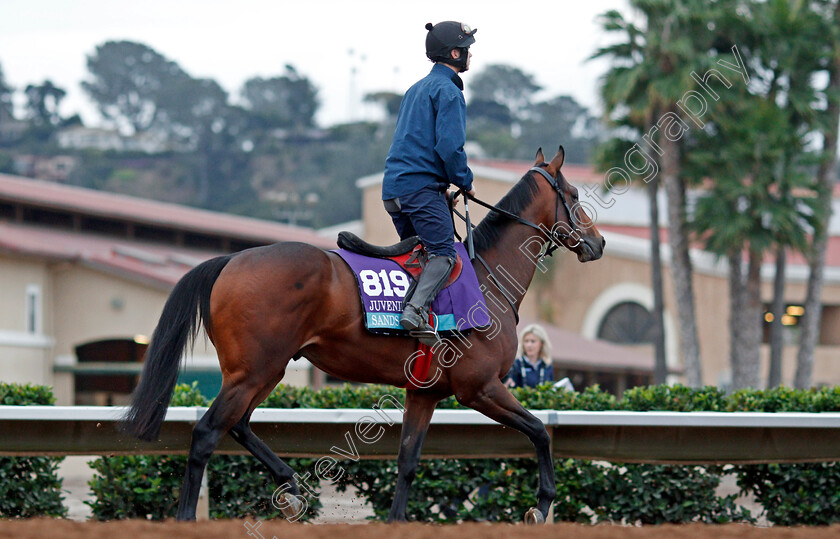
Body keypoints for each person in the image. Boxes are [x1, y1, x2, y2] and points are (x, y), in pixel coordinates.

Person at [381, 21, 477, 346]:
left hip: (394, 191)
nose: (470, 54)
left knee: (422, 258)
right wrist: (464, 181)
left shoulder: (415, 89)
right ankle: (415, 313)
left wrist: (441, 189)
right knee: (444, 254)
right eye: (467, 48)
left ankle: (409, 321)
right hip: (420, 190)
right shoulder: (449, 91)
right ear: (454, 53)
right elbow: (449, 148)